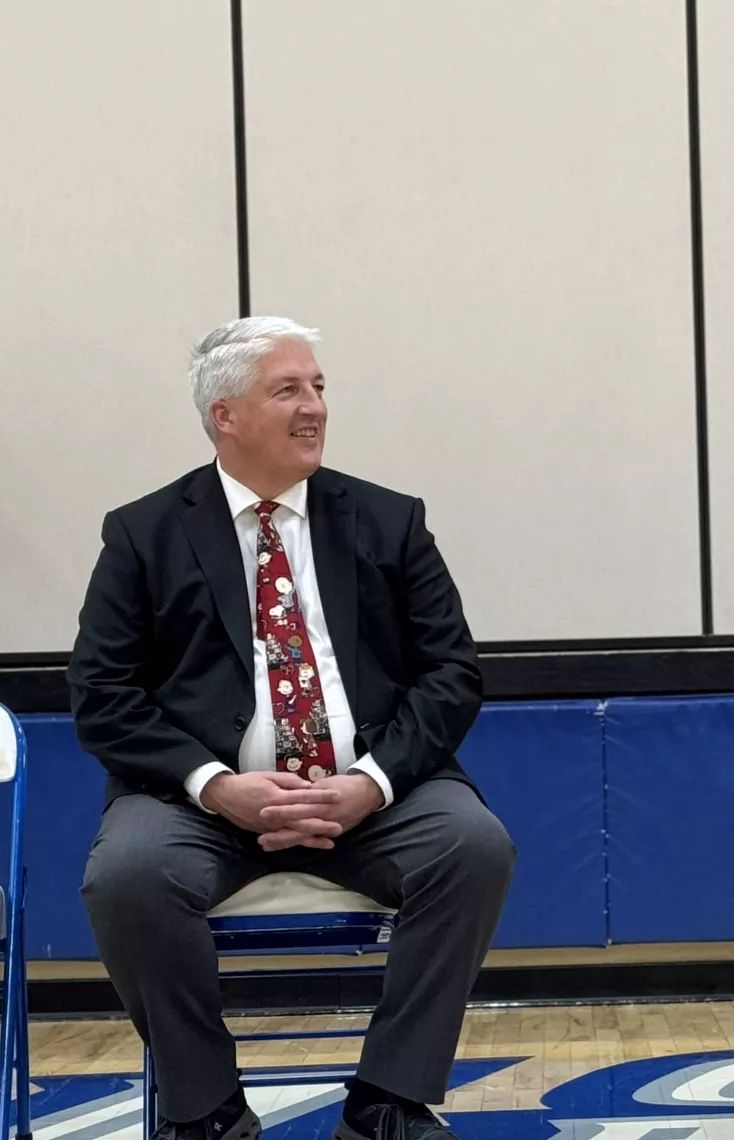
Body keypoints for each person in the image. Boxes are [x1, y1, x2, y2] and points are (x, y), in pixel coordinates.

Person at [67, 317, 516, 1140]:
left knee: (473, 847)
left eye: (318, 388)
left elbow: (453, 673)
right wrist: (215, 786)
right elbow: (101, 695)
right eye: (289, 390)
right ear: (225, 415)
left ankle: (388, 1100)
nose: (314, 408)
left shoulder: (388, 520)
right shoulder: (143, 534)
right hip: (199, 807)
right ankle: (206, 1111)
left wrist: (370, 783)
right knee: (126, 876)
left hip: (370, 796)